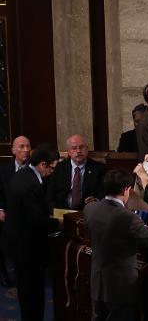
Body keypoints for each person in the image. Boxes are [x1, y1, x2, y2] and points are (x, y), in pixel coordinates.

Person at [84, 169, 148, 321]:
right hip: (120, 289)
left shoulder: (90, 209)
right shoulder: (128, 217)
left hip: (97, 284)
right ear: (127, 189)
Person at [4, 144, 58, 321]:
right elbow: (37, 221)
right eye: (52, 167)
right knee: (34, 296)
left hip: (17, 246)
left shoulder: (20, 175)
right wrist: (58, 223)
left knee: (25, 295)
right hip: (30, 250)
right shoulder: (32, 185)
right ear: (43, 164)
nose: (52, 172)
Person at [0, 135, 31, 285]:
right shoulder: (4, 171)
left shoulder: (35, 169)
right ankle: (5, 273)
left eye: (28, 146)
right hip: (8, 214)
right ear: (13, 150)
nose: (25, 150)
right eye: (21, 147)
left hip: (30, 214)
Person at [46, 134, 105, 211]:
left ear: (87, 149)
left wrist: (96, 200)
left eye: (81, 147)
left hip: (86, 212)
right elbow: (50, 196)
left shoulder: (99, 169)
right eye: (74, 148)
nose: (78, 151)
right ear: (69, 152)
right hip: (62, 212)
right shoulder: (59, 168)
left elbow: (103, 193)